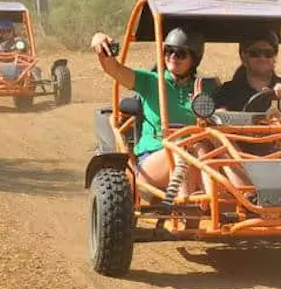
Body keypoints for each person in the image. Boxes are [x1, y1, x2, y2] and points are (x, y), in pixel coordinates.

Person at [90, 26, 219, 193]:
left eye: (180, 53)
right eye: (168, 51)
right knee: (182, 152)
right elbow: (113, 69)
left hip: (194, 157)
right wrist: (99, 40)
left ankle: (214, 205)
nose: (173, 57)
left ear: (194, 59)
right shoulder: (150, 81)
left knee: (203, 149)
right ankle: (185, 210)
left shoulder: (204, 88)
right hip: (153, 158)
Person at [214, 30, 281, 111]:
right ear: (244, 57)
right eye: (255, 53)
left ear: (274, 57)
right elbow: (218, 116)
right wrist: (221, 114)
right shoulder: (228, 91)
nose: (262, 58)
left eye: (268, 53)